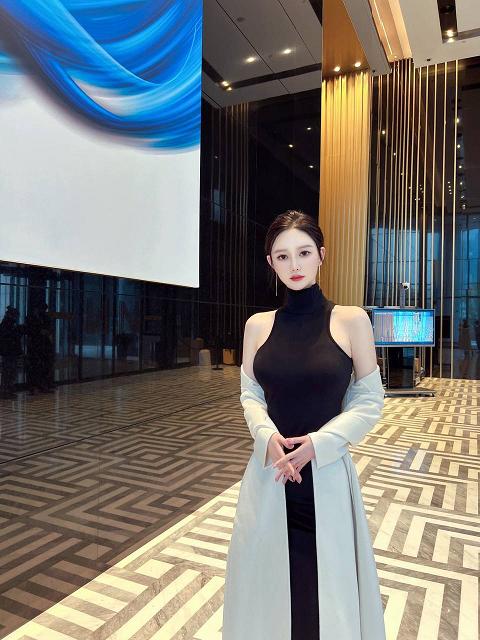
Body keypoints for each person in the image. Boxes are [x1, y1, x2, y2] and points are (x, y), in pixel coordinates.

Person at [222, 210, 386, 639]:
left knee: (326, 591)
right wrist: (266, 435)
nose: (294, 265)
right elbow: (250, 394)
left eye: (304, 252)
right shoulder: (258, 326)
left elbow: (369, 399)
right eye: (282, 256)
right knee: (268, 588)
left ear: (321, 255)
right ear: (271, 263)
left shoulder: (352, 320)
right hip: (271, 472)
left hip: (327, 474)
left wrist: (320, 442)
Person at [0, 306, 23, 399]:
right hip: (9, 352)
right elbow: (10, 338)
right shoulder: (8, 325)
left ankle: (7, 390)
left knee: (9, 372)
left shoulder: (7, 324)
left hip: (9, 352)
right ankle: (6, 391)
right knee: (9, 372)